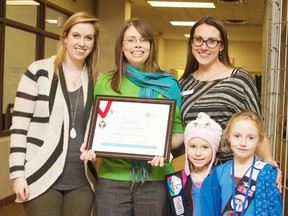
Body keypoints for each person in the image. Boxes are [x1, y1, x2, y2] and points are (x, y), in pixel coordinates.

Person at [80, 18, 184, 216]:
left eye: (144, 40)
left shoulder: (168, 84)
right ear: (121, 46)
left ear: (151, 46)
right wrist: (91, 144)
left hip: (156, 180)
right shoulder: (106, 82)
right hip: (112, 180)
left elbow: (178, 131)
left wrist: (164, 146)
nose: (137, 45)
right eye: (131, 40)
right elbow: (98, 125)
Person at [9, 12, 99, 216]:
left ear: (94, 43)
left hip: (81, 180)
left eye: (88, 38)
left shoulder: (97, 80)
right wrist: (18, 175)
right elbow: (19, 127)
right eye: (76, 35)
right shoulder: (38, 72)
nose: (82, 43)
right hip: (41, 176)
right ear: (65, 37)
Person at [179, 15, 282, 187]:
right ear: (191, 43)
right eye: (198, 40)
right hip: (198, 175)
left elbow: (257, 127)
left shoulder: (239, 79)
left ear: (221, 46)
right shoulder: (184, 83)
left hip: (236, 173)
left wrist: (269, 161)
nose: (204, 47)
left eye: (211, 41)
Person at [201, 110, 283, 216]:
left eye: (250, 138)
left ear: (259, 140)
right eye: (237, 136)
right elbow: (209, 205)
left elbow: (274, 209)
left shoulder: (266, 173)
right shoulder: (219, 172)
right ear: (228, 136)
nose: (243, 143)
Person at [166, 112, 222, 216]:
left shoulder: (221, 178)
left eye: (205, 147)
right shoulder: (176, 180)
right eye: (193, 147)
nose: (198, 153)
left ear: (214, 150)